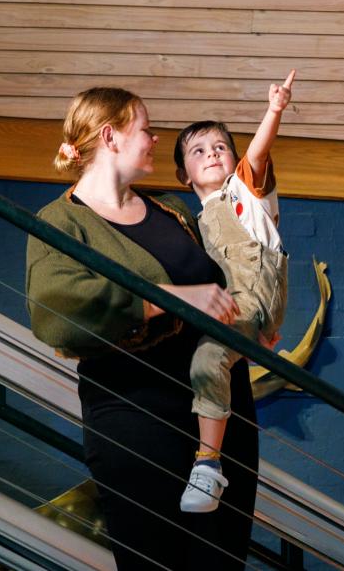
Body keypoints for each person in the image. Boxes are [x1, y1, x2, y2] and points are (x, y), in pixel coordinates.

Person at [24, 87, 258, 570]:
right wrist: (166, 298)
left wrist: (252, 323)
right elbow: (55, 308)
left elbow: (226, 281)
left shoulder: (172, 209)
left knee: (221, 559)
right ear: (110, 136)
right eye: (145, 128)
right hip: (139, 415)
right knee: (156, 557)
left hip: (220, 419)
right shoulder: (62, 222)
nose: (154, 138)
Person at [172, 71, 294, 513]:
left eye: (221, 147)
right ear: (184, 173)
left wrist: (274, 109)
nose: (212, 155)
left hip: (255, 298)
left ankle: (207, 465)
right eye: (198, 151)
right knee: (201, 348)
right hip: (240, 310)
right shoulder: (197, 221)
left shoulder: (243, 192)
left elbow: (259, 152)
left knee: (207, 355)